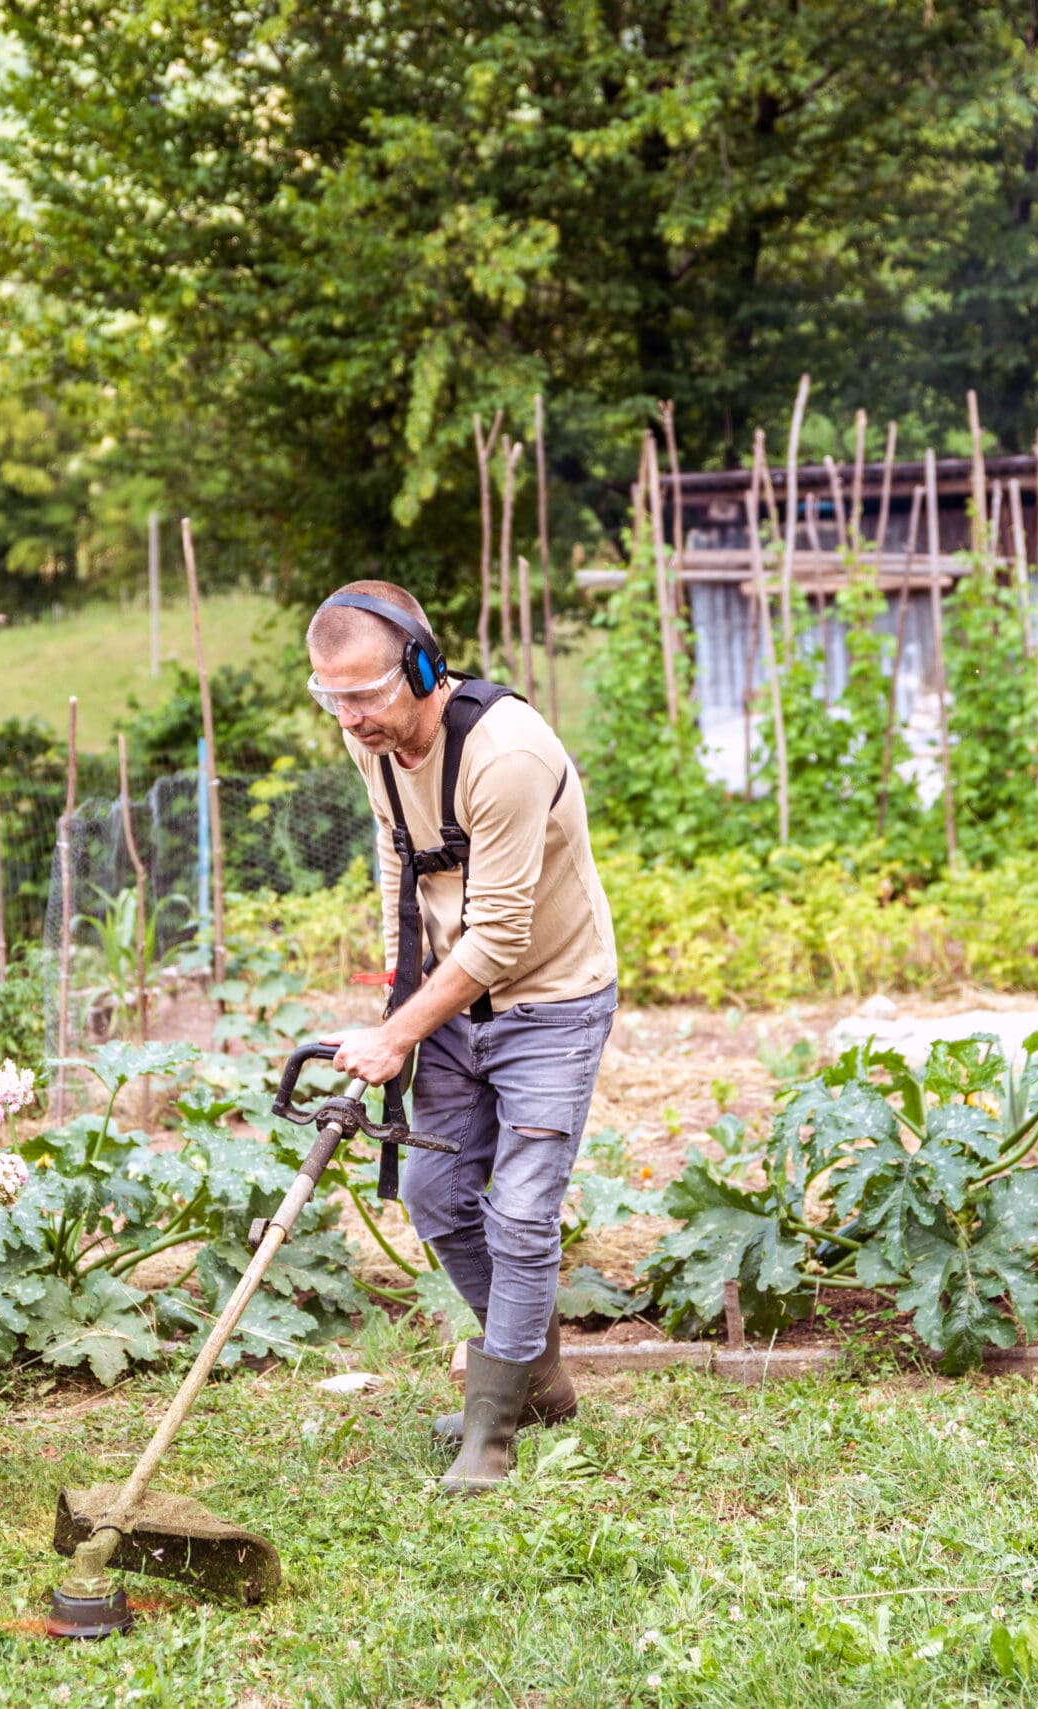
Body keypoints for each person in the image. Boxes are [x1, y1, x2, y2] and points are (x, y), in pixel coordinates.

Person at [308, 580, 617, 1493]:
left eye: (365, 692)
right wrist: (399, 1004)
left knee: (521, 1213)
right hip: (456, 1005)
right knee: (437, 1191)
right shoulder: (371, 742)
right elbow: (398, 860)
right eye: (332, 697)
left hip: (551, 1002)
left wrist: (398, 1031)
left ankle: (491, 1425)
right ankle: (537, 1378)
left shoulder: (506, 754)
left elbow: (505, 934)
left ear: (424, 665)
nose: (351, 715)